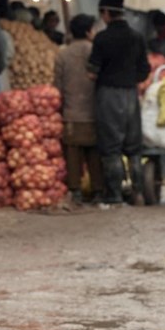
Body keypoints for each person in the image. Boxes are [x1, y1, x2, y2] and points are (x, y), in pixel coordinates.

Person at [88, 0, 151, 205]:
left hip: (108, 95)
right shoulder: (137, 37)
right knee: (134, 148)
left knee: (111, 148)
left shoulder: (102, 38)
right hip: (130, 94)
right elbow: (145, 70)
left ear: (105, 13)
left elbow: (91, 71)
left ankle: (114, 195)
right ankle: (138, 192)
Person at [54, 14, 103, 205]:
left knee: (72, 155)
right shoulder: (95, 51)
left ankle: (75, 192)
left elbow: (56, 87)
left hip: (71, 114)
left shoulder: (62, 54)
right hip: (94, 112)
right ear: (88, 31)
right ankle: (98, 191)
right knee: (95, 154)